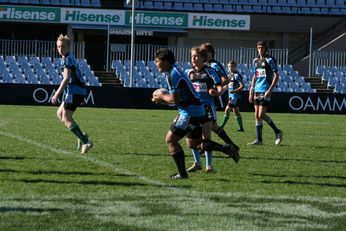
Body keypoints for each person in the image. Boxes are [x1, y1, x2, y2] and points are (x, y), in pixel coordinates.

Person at [152, 48, 237, 179]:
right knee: (193, 144)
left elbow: (175, 100)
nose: (155, 64)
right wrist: (164, 97)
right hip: (197, 110)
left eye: (157, 61)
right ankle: (226, 149)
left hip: (189, 113)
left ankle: (182, 174)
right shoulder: (176, 70)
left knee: (170, 140)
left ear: (165, 61)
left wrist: (161, 96)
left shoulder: (172, 74)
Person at [186, 46, 240, 173]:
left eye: (196, 56)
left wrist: (216, 92)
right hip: (193, 108)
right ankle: (197, 162)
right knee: (191, 137)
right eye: (192, 56)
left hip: (207, 108)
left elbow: (220, 86)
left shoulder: (210, 71)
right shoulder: (189, 73)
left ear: (203, 58)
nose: (193, 59)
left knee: (206, 137)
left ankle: (209, 165)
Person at [51, 34, 93, 154]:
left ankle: (86, 141)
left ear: (68, 47)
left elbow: (66, 78)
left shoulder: (68, 59)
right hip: (75, 90)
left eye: (63, 46)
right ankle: (81, 136)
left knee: (66, 118)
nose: (60, 49)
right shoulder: (68, 57)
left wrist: (56, 94)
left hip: (75, 91)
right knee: (60, 113)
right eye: (58, 46)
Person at [199, 43, 240, 153]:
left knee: (206, 124)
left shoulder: (214, 65)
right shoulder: (205, 64)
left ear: (210, 53)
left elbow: (225, 80)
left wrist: (215, 88)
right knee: (213, 126)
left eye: (204, 53)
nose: (202, 55)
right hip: (207, 98)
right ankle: (232, 146)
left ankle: (205, 147)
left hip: (213, 98)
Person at [248, 40, 283, 145]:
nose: (260, 49)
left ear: (265, 48)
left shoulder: (270, 59)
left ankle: (278, 131)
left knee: (261, 114)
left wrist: (270, 89)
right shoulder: (255, 61)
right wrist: (252, 90)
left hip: (265, 89)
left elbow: (276, 76)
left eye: (262, 47)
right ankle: (259, 140)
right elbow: (255, 75)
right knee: (257, 116)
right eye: (258, 47)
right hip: (257, 90)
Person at [220, 60, 245, 132]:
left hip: (235, 96)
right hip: (230, 96)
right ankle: (241, 128)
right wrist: (221, 91)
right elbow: (226, 86)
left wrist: (235, 91)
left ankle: (222, 126)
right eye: (229, 66)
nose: (230, 68)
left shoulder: (237, 75)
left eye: (232, 66)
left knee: (227, 109)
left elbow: (242, 86)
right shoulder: (228, 76)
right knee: (236, 111)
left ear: (235, 67)